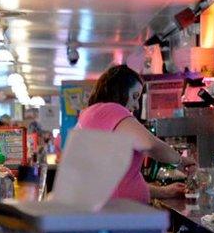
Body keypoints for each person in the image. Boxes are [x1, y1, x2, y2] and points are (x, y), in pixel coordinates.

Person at [76, 65, 196, 204]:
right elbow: (148, 144)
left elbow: (121, 181)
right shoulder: (110, 109)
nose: (136, 106)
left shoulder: (91, 114)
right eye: (134, 97)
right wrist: (179, 161)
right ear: (119, 91)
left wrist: (164, 192)